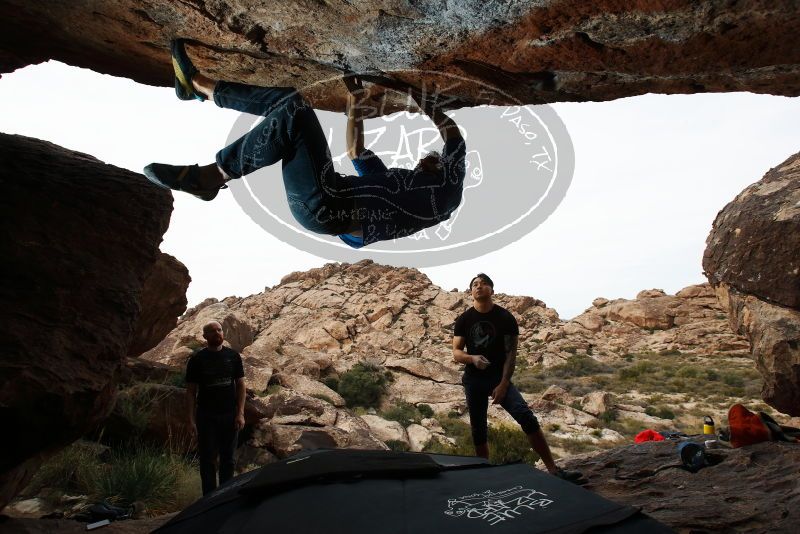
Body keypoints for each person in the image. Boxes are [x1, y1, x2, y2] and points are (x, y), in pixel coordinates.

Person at [145, 39, 467, 248]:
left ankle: (213, 176)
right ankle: (199, 86)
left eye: (434, 159)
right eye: (430, 157)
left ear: (443, 167)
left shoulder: (447, 193)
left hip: (331, 209)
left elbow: (452, 136)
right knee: (291, 103)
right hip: (320, 202)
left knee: (296, 115)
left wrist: (418, 96)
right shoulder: (394, 181)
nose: (428, 158)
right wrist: (354, 101)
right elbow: (356, 150)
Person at [452, 273, 585, 484]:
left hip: (498, 377)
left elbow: (511, 355)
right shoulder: (464, 319)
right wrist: (472, 358)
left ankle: (553, 469)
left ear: (492, 290)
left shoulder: (505, 318)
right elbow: (456, 353)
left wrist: (504, 383)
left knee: (526, 416)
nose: (479, 287)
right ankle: (483, 477)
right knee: (478, 428)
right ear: (471, 292)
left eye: (484, 284)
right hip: (474, 380)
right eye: (475, 285)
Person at [185, 321, 246, 495]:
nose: (217, 333)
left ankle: (225, 496)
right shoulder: (197, 360)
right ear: (205, 336)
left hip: (229, 414)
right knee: (207, 460)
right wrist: (190, 420)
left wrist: (240, 413)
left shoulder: (233, 356)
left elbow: (240, 385)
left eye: (219, 330)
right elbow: (190, 392)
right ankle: (209, 499)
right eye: (212, 331)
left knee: (228, 459)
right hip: (206, 416)